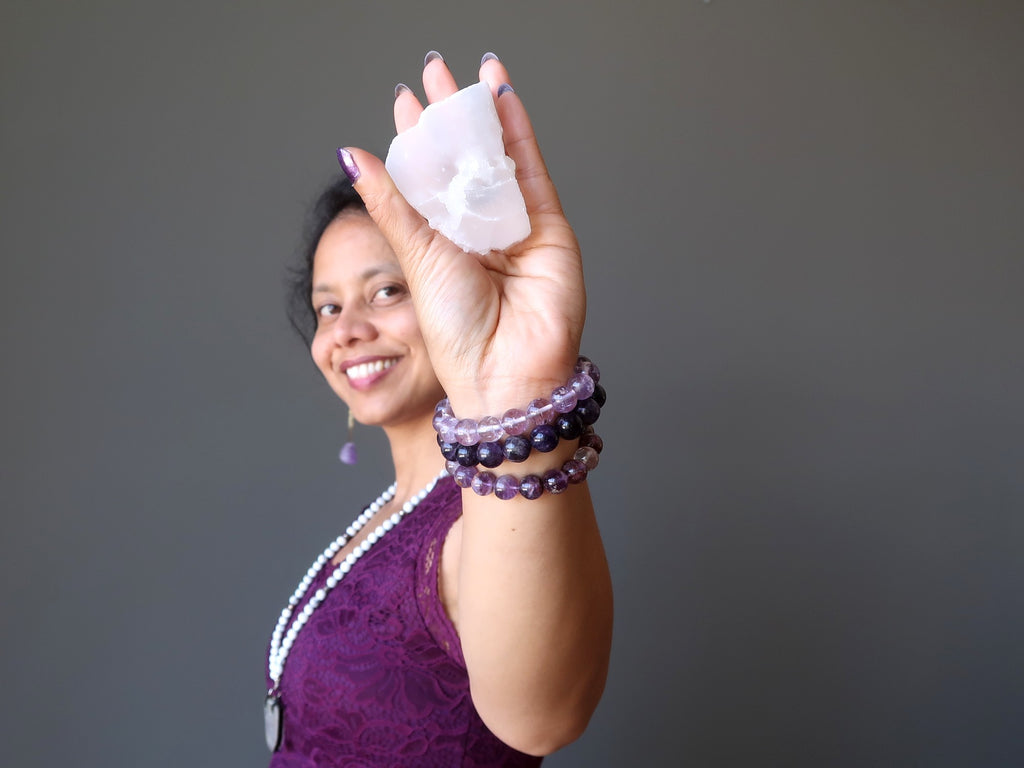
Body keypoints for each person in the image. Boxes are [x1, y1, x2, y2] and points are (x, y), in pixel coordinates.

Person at [267, 51, 613, 767]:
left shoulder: (474, 525)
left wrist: (510, 392)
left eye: (387, 290)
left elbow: (541, 718)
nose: (346, 331)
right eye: (327, 307)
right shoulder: (390, 515)